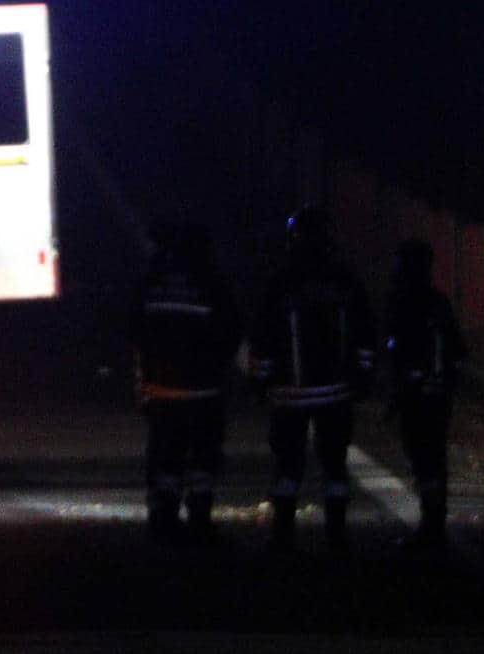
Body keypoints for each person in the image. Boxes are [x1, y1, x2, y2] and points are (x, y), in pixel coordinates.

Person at [247, 206, 378, 549]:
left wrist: (260, 381)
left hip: (289, 393)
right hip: (335, 392)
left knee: (288, 465)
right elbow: (365, 335)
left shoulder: (280, 282)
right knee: (335, 464)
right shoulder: (344, 281)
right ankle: (336, 532)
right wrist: (362, 378)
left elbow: (262, 336)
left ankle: (283, 532)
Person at [131, 221, 239, 542]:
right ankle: (199, 517)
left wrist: (148, 376)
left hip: (163, 388)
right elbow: (231, 331)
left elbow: (135, 329)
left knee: (165, 454)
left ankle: (163, 516)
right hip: (204, 389)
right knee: (203, 456)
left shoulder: (154, 282)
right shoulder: (212, 283)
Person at [384, 237, 467, 550]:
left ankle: (431, 526)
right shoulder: (439, 302)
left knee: (422, 458)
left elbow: (398, 351)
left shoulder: (403, 303)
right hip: (440, 394)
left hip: (416, 395)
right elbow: (458, 351)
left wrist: (403, 386)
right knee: (435, 457)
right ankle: (435, 522)